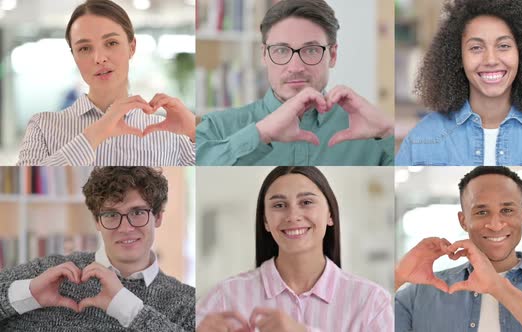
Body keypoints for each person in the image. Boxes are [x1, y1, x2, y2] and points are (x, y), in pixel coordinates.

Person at [196, 0, 394, 166]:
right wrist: (260, 134)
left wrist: (387, 134)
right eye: (282, 50)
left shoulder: (371, 132)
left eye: (311, 50)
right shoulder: (218, 127)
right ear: (264, 55)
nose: (296, 66)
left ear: (332, 55)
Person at [196, 167, 393, 331]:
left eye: (306, 202)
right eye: (279, 205)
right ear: (265, 221)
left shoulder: (372, 302)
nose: (293, 215)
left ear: (330, 215)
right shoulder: (223, 297)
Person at [395, 166, 522, 331]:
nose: (495, 224)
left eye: (507, 210)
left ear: (521, 216)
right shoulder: (419, 294)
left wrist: (498, 286)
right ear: (464, 221)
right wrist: (397, 277)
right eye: (481, 212)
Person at [0, 167, 195, 331]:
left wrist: (129, 309)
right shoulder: (48, 275)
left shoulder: (188, 303)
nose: (125, 228)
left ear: (158, 217)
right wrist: (27, 295)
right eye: (111, 214)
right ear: (97, 221)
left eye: (137, 212)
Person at [395, 0, 522, 166]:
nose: (490, 60)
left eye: (504, 46)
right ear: (457, 57)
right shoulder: (422, 139)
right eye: (476, 47)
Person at [17, 0, 196, 166]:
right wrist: (95, 134)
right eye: (85, 48)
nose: (99, 58)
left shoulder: (171, 133)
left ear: (132, 47)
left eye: (111, 43)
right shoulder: (43, 127)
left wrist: (195, 133)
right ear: (74, 56)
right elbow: (24, 187)